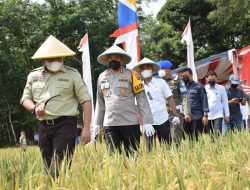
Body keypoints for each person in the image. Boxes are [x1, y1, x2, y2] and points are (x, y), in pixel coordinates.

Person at [20, 35, 92, 176]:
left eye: (59, 58)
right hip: (43, 126)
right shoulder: (33, 76)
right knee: (47, 166)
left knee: (59, 164)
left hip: (65, 124)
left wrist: (86, 128)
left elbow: (86, 101)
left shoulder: (73, 74)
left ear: (63, 58)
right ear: (44, 59)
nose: (56, 61)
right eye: (52, 58)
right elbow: (25, 99)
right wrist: (34, 108)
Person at [93, 45, 154, 156]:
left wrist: (147, 121)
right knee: (113, 157)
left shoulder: (132, 74)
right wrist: (97, 123)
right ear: (107, 60)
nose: (113, 60)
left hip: (129, 122)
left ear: (121, 59)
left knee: (132, 155)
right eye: (110, 58)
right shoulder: (102, 76)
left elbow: (142, 99)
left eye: (116, 57)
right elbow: (100, 102)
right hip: (110, 124)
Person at [132, 58, 180, 151]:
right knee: (150, 149)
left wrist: (175, 114)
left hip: (162, 119)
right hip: (147, 122)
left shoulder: (161, 82)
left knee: (167, 147)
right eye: (143, 68)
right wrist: (141, 123)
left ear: (152, 69)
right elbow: (137, 106)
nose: (145, 70)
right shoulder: (138, 86)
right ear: (140, 71)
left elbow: (170, 98)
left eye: (147, 67)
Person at [157, 60, 191, 145]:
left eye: (162, 69)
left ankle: (177, 155)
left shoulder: (177, 80)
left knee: (176, 135)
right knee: (164, 139)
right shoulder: (157, 82)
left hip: (176, 113)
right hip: (162, 114)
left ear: (168, 69)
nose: (160, 71)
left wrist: (186, 113)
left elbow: (184, 96)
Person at [180, 67, 209, 141]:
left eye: (186, 75)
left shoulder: (199, 87)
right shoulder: (181, 88)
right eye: (183, 76)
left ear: (191, 75)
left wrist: (205, 115)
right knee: (186, 138)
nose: (184, 77)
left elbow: (204, 101)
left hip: (197, 117)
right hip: (185, 117)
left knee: (196, 138)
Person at [205, 71, 229, 138]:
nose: (212, 81)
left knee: (217, 132)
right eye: (210, 80)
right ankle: (213, 147)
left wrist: (227, 115)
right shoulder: (204, 89)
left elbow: (225, 102)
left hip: (218, 113)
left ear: (216, 79)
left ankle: (218, 145)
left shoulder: (221, 88)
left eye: (213, 80)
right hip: (208, 115)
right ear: (206, 79)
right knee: (210, 134)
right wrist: (203, 115)